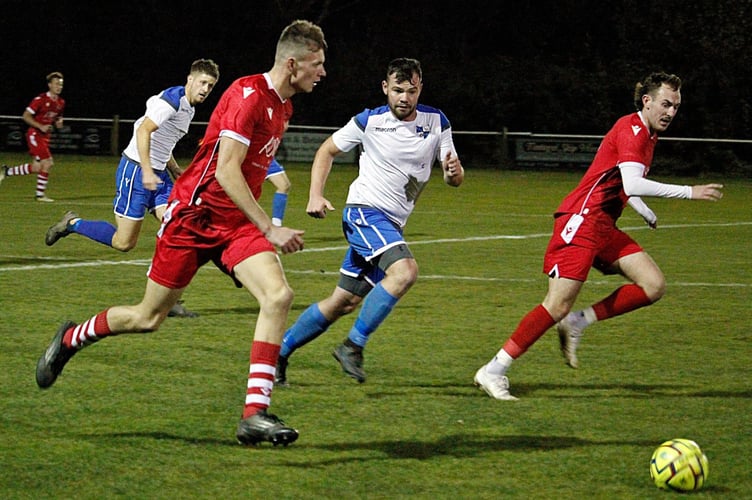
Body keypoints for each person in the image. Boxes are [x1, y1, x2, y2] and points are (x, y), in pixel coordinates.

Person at [35, 19, 328, 446]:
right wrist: (270, 227)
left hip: (234, 225)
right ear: (291, 63)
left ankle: (254, 414)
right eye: (316, 64)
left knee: (278, 295)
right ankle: (70, 337)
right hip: (194, 219)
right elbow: (227, 170)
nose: (322, 73)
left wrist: (257, 224)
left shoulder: (282, 106)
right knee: (146, 318)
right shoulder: (247, 97)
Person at [473, 72, 724, 401]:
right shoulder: (633, 130)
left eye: (676, 106)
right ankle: (494, 369)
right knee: (557, 304)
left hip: (603, 225)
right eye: (665, 104)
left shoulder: (647, 135)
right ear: (647, 101)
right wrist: (689, 192)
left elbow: (622, 182)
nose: (671, 112)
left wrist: (643, 210)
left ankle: (580, 321)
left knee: (653, 284)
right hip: (582, 220)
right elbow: (632, 183)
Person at [275, 57, 464, 386]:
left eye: (411, 91)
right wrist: (315, 196)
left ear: (420, 90)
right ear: (385, 89)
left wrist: (454, 173)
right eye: (397, 91)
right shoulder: (369, 121)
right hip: (364, 213)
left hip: (390, 224)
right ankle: (352, 346)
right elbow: (326, 151)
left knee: (342, 303)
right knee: (405, 271)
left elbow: (453, 177)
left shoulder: (437, 122)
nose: (404, 98)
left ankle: (278, 353)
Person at [44, 58, 220, 318]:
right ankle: (72, 224)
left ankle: (170, 300)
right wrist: (148, 171)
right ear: (190, 79)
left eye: (211, 86)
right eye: (203, 82)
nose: (206, 89)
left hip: (158, 176)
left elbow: (163, 139)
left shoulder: (189, 108)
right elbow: (144, 131)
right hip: (136, 171)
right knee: (124, 242)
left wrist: (173, 170)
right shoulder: (171, 101)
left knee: (181, 229)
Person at [0, 72, 66, 202]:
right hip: (35, 134)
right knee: (47, 162)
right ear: (49, 85)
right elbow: (25, 116)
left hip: (45, 137)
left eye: (61, 84)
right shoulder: (40, 100)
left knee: (37, 167)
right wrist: (40, 126)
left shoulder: (61, 102)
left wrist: (59, 123)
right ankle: (40, 195)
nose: (59, 86)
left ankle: (7, 171)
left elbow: (58, 118)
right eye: (56, 84)